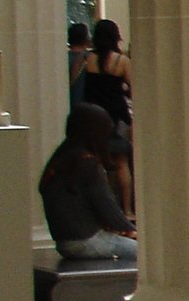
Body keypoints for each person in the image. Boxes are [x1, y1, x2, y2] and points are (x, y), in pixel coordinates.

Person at [39, 104, 136, 262]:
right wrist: (131, 230)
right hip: (86, 241)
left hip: (65, 243)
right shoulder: (88, 164)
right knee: (146, 255)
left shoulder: (60, 159)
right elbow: (107, 206)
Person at [78, 18, 134, 217]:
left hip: (93, 116)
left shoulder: (89, 59)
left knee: (98, 163)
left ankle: (103, 209)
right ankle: (126, 209)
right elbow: (133, 88)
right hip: (115, 116)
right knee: (121, 162)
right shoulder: (121, 61)